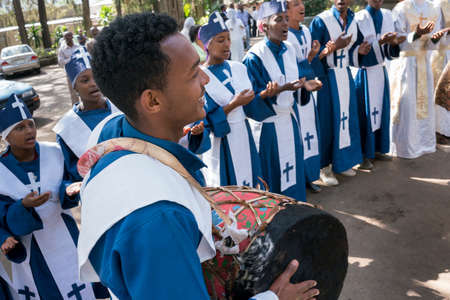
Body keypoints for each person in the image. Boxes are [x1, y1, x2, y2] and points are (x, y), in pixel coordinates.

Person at [77, 12, 319, 300]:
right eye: (193, 73)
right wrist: (274, 298)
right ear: (152, 100)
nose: (205, 78)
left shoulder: (111, 131)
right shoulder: (158, 219)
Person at [0, 94, 108, 299]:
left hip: (65, 235)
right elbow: (1, 213)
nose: (29, 131)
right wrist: (23, 206)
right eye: (20, 128)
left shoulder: (54, 152)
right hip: (33, 251)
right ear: (6, 136)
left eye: (30, 124)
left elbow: (69, 179)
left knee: (79, 286)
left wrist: (68, 190)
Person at [243, 0, 321, 202]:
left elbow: (300, 78)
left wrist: (306, 86)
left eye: (286, 19)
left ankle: (294, 210)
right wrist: (271, 93)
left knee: (292, 170)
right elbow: (251, 100)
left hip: (290, 121)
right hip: (269, 127)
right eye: (279, 20)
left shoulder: (290, 49)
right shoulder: (254, 57)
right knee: (273, 177)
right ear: (264, 26)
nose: (285, 24)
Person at [198, 12, 262, 187]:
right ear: (207, 45)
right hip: (222, 143)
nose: (227, 44)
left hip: (243, 134)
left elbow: (252, 106)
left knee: (250, 184)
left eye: (228, 38)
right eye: (220, 40)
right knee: (228, 189)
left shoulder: (238, 68)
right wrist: (234, 104)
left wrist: (266, 94)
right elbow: (206, 121)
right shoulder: (200, 77)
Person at [310, 0, 368, 179]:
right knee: (328, 121)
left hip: (345, 74)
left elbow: (353, 50)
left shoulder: (353, 20)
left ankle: (344, 161)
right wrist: (332, 48)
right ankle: (323, 167)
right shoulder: (321, 21)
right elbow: (311, 56)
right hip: (328, 77)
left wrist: (361, 51)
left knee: (346, 119)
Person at [53, 47, 120, 181]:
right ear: (74, 87)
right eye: (85, 80)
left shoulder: (121, 108)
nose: (93, 83)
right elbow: (69, 174)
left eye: (96, 76)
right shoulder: (67, 128)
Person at [353, 0, 405, 169]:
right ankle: (363, 154)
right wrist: (380, 42)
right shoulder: (359, 18)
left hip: (380, 70)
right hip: (366, 71)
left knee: (380, 112)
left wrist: (393, 44)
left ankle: (377, 149)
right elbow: (359, 49)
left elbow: (390, 53)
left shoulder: (388, 15)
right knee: (366, 114)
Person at [389, 0, 443, 158]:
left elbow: (434, 39)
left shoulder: (433, 8)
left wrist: (435, 39)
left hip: (423, 62)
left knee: (423, 105)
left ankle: (423, 144)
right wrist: (416, 34)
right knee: (406, 104)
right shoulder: (401, 8)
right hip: (406, 62)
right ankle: (404, 147)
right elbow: (395, 37)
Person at [287, 0, 325, 193]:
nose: (301, 7)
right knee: (298, 135)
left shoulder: (306, 31)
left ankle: (311, 176)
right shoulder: (285, 36)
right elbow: (289, 66)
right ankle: (300, 178)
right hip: (295, 92)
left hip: (308, 90)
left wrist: (312, 55)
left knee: (310, 133)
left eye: (301, 3)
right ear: (286, 10)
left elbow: (305, 62)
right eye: (295, 4)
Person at [431, 0, 450, 147]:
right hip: (443, 52)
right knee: (442, 90)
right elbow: (434, 34)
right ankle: (440, 131)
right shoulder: (438, 4)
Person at [58, 31, 79, 104]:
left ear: (72, 37)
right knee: (73, 92)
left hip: (80, 71)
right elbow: (60, 62)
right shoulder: (62, 49)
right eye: (66, 37)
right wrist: (70, 59)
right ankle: (76, 106)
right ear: (64, 38)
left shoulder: (77, 46)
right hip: (70, 73)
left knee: (83, 89)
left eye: (69, 36)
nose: (68, 38)